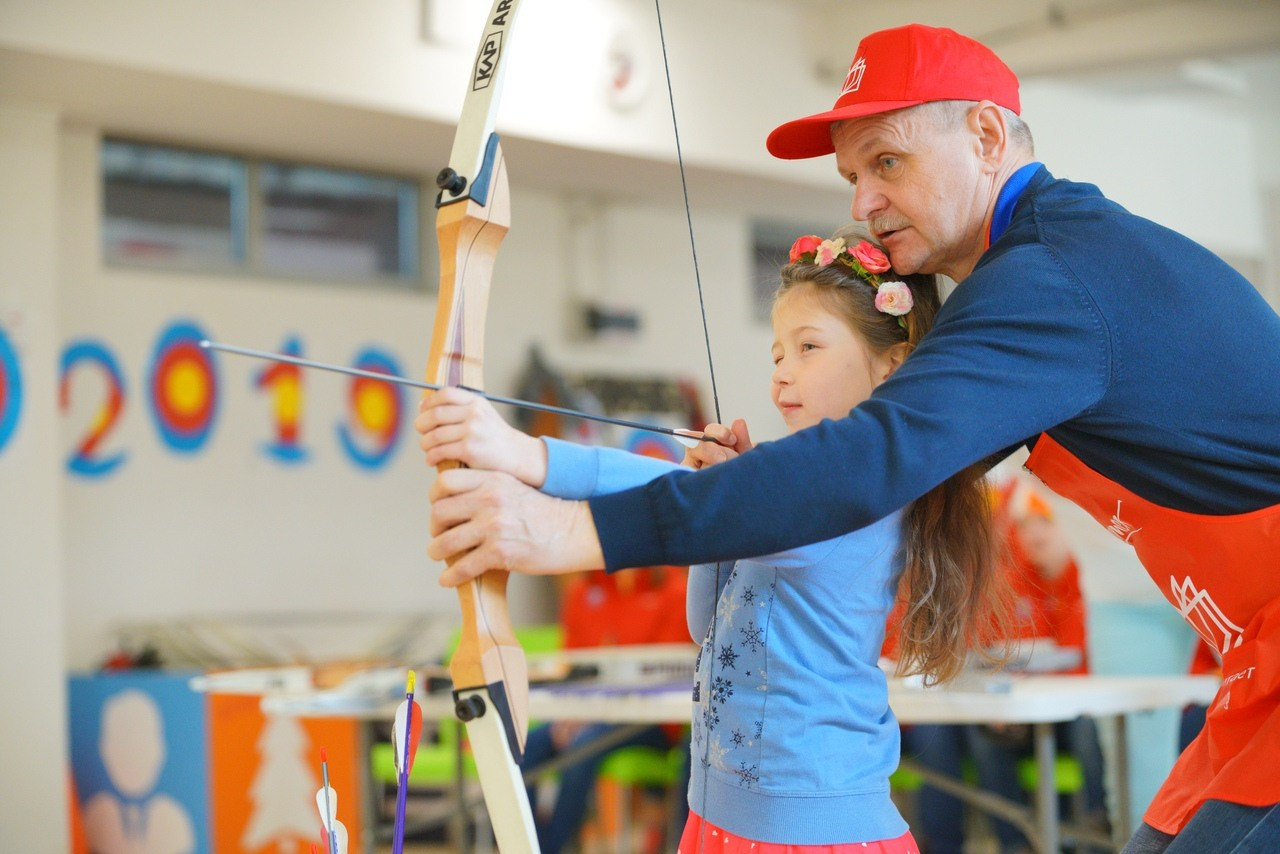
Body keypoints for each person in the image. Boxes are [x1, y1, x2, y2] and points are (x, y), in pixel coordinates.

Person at [424, 23, 1280, 854]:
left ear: (986, 135)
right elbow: (829, 469)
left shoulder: (1049, 277)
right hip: (1257, 657)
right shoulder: (1031, 280)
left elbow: (862, 463)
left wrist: (570, 532)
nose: (862, 200)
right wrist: (530, 458)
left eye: (889, 162)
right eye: (853, 173)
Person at [419, 226, 1006, 851]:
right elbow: (708, 624)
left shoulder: (849, 492)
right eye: (778, 353)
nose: (783, 372)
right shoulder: (788, 483)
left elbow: (661, 486)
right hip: (721, 816)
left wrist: (523, 453)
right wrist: (721, 511)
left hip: (815, 832)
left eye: (810, 347)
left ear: (893, 365)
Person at [895, 482, 1107, 854]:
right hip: (1008, 706)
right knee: (972, 734)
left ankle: (1098, 834)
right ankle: (1010, 844)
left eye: (1043, 523)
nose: (1033, 533)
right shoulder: (1003, 582)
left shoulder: (1083, 583)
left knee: (1090, 728)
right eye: (1025, 525)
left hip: (1070, 707)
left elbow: (1080, 659)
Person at [521, 565, 690, 854]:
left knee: (583, 746)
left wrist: (590, 714)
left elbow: (667, 672)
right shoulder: (583, 591)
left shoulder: (675, 590)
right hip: (585, 712)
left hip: (651, 720)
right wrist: (572, 712)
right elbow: (570, 663)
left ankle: (549, 848)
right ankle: (526, 843)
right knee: (524, 748)